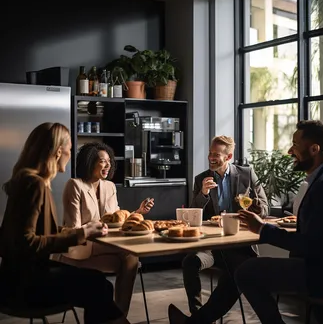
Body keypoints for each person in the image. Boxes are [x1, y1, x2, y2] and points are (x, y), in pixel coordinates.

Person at [0, 123, 130, 324]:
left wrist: (74, 231)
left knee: (99, 285)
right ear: (58, 151)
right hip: (26, 287)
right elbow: (27, 242)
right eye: (69, 149)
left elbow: (25, 236)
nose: (70, 154)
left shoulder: (24, 181)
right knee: (98, 285)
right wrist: (82, 234)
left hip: (12, 280)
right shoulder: (35, 184)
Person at [236, 120, 323, 324]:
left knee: (246, 271)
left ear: (314, 149)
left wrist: (262, 228)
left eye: (295, 144)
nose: (289, 150)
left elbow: (310, 245)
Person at [169, 135, 268, 324]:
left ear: (228, 156)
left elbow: (265, 208)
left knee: (234, 273)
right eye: (210, 153)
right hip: (212, 245)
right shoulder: (201, 179)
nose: (211, 158)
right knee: (190, 262)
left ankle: (197, 322)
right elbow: (191, 215)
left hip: (238, 244)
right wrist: (203, 194)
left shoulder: (247, 174)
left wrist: (252, 203)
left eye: (216, 155)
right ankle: (199, 315)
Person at [59, 142, 154, 315]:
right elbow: (74, 228)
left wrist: (138, 212)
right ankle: (117, 317)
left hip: (104, 246)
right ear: (90, 162)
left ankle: (117, 315)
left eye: (109, 161)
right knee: (130, 257)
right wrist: (95, 228)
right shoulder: (74, 185)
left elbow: (116, 218)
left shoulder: (109, 186)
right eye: (103, 161)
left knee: (130, 258)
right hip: (80, 245)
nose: (108, 165)